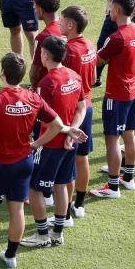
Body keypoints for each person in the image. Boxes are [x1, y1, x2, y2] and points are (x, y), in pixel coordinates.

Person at [0, 53, 85, 269]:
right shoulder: (33, 98)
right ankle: (11, 256)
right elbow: (58, 125)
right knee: (17, 208)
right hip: (24, 162)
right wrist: (36, 144)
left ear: (2, 74)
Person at [21, 37, 86, 248]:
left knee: (34, 189)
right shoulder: (74, 76)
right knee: (61, 186)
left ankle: (42, 235)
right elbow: (82, 108)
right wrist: (72, 131)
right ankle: (57, 233)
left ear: (46, 56)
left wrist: (36, 144)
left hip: (50, 144)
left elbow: (49, 123)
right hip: (69, 143)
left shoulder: (46, 84)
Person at [90, 0, 135, 199]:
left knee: (112, 141)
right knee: (129, 134)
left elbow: (98, 60)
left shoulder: (116, 37)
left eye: (111, 7)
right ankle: (128, 178)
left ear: (118, 10)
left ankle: (113, 187)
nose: (109, 10)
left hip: (116, 95)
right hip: (133, 91)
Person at [60, 5, 97, 218]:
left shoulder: (69, 52)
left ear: (71, 25)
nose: (59, 23)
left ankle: (64, 212)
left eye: (62, 21)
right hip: (87, 105)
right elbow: (91, 79)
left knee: (67, 161)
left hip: (72, 110)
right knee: (82, 157)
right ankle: (79, 204)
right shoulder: (89, 45)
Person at [28, 0, 62, 89]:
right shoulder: (66, 29)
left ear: (41, 10)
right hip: (65, 82)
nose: (34, 10)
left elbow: (34, 72)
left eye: (35, 8)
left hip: (48, 86)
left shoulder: (43, 36)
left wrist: (34, 88)